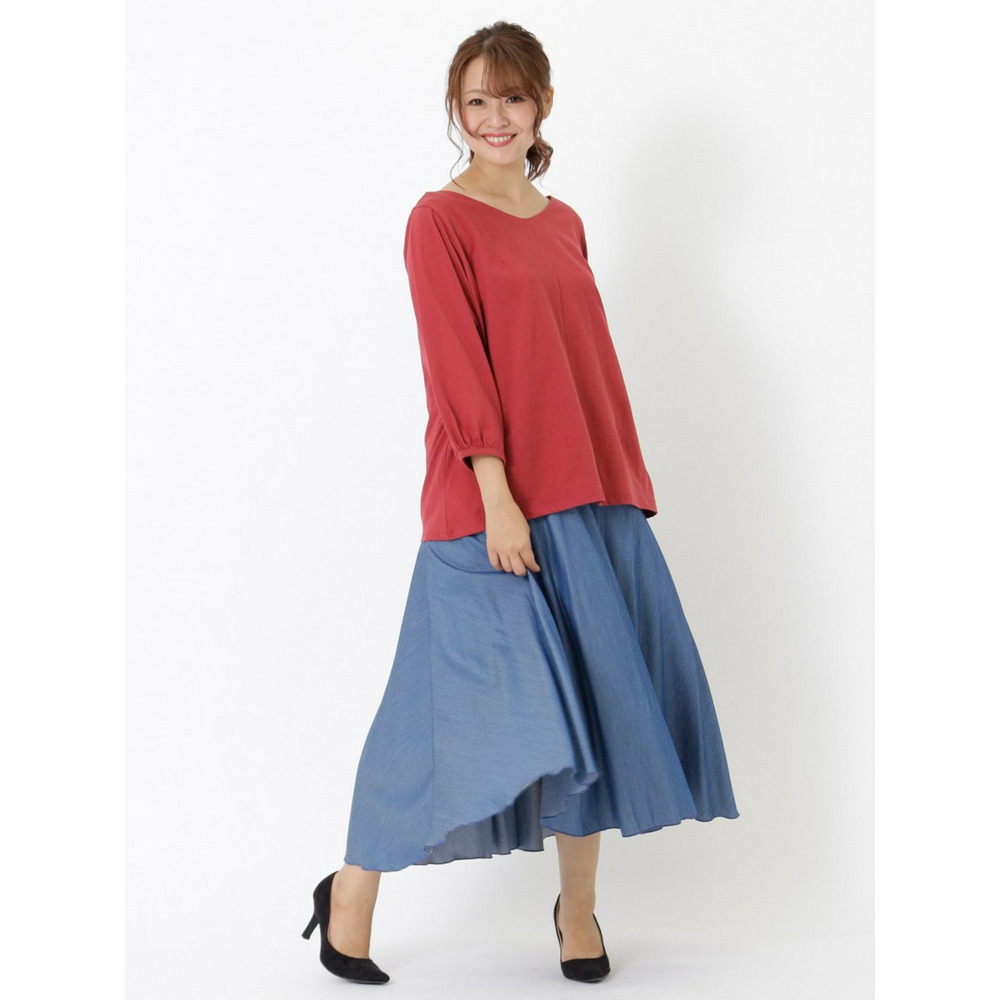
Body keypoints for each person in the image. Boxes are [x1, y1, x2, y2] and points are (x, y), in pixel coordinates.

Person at [301, 20, 739, 986]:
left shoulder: (564, 221)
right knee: (434, 714)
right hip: (487, 504)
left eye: (511, 98)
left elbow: (582, 367)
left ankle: (577, 913)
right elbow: (456, 369)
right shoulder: (438, 221)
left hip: (587, 493)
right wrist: (497, 497)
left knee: (596, 709)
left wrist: (618, 486)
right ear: (455, 112)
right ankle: (351, 894)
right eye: (476, 101)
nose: (494, 118)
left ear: (542, 104)